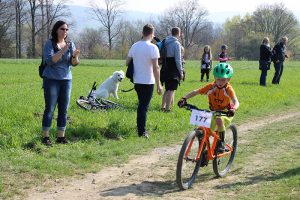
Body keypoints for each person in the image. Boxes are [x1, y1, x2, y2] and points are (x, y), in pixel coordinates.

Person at [178, 63, 239, 152]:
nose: (220, 82)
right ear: (214, 77)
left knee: (219, 120)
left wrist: (233, 109)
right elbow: (196, 92)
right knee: (203, 130)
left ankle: (221, 143)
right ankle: (202, 153)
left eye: (223, 80)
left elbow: (236, 101)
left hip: (226, 113)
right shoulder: (211, 87)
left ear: (228, 79)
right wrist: (184, 98)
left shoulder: (228, 89)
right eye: (218, 79)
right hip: (214, 112)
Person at [41, 20, 80, 146]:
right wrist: (63, 50)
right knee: (50, 109)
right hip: (51, 80)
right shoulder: (49, 43)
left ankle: (60, 137)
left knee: (64, 110)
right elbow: (50, 61)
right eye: (62, 29)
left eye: (67, 29)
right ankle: (45, 137)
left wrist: (74, 56)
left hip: (66, 80)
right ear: (56, 30)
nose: (65, 31)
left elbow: (74, 64)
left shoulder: (70, 44)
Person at [126, 24, 163, 138]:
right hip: (148, 81)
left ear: (142, 33)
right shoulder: (153, 47)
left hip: (137, 81)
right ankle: (141, 131)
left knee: (142, 105)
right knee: (143, 107)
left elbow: (127, 62)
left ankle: (140, 128)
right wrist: (159, 85)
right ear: (152, 34)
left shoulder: (135, 46)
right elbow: (156, 67)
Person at [161, 27, 184, 112]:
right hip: (173, 67)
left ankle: (162, 106)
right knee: (172, 89)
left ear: (171, 32)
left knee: (167, 89)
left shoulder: (166, 41)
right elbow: (178, 59)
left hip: (166, 66)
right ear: (178, 33)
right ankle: (167, 108)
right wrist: (181, 71)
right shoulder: (176, 43)